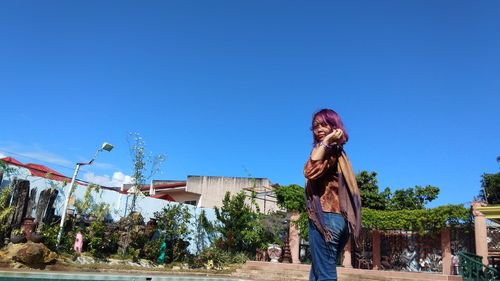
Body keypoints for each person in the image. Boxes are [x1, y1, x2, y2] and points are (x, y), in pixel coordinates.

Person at [304, 108, 362, 281]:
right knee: (317, 272)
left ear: (335, 126)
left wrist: (327, 141)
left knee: (325, 275)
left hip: (326, 218)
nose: (319, 129)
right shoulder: (337, 152)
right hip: (337, 220)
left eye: (324, 124)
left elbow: (310, 170)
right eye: (315, 126)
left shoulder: (330, 150)